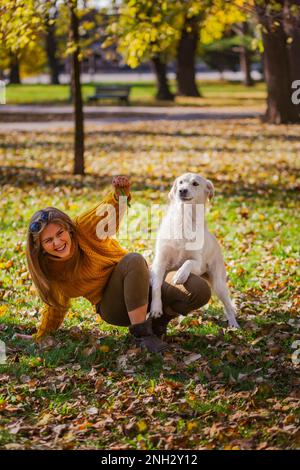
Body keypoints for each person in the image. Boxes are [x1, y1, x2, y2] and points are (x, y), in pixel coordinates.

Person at [19, 176, 211, 353]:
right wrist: (40, 335)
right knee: (133, 260)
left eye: (60, 233)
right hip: (114, 307)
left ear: (69, 229)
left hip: (139, 282)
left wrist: (120, 195)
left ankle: (158, 321)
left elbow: (106, 213)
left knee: (198, 290)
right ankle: (142, 334)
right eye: (48, 240)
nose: (57, 243)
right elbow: (55, 305)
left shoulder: (82, 228)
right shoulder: (51, 270)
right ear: (41, 247)